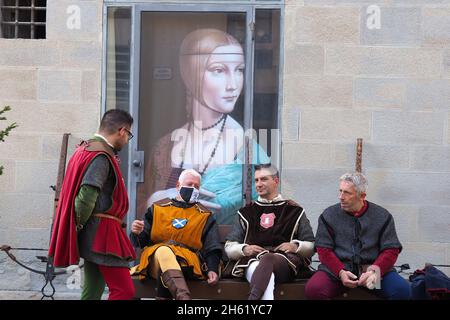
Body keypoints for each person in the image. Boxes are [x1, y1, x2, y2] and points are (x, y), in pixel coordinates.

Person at [137, 28, 269, 224]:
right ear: (191, 75)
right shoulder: (165, 147)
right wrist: (154, 201)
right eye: (219, 70)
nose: (233, 84)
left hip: (224, 245)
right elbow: (141, 208)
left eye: (239, 70)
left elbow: (267, 202)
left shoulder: (246, 148)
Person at [48, 109, 136, 300]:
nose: (128, 140)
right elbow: (86, 196)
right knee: (124, 290)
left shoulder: (85, 148)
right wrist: (77, 226)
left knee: (93, 290)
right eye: (129, 134)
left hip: (94, 232)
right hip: (102, 234)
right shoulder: (101, 155)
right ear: (122, 131)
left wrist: (78, 228)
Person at [305, 172, 411, 300]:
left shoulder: (382, 216)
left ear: (362, 196)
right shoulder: (329, 215)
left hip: (373, 274)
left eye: (347, 193)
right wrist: (341, 272)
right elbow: (323, 250)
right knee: (314, 289)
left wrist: (374, 271)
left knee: (402, 291)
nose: (341, 197)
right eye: (340, 191)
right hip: (336, 273)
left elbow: (391, 250)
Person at [224, 164, 315, 300]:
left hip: (284, 263)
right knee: (266, 276)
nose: (259, 184)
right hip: (252, 260)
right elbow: (229, 246)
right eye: (256, 180)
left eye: (264, 179)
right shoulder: (246, 212)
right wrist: (244, 249)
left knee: (268, 258)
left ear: (276, 181)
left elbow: (311, 246)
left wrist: (295, 246)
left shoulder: (294, 211)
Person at [130, 169, 222, 300]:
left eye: (197, 186)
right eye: (189, 184)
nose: (193, 189)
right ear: (178, 185)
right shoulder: (157, 208)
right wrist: (136, 233)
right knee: (163, 251)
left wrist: (212, 268)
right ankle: (183, 298)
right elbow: (141, 242)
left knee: (165, 265)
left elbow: (212, 246)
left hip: (188, 263)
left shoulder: (205, 215)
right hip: (155, 260)